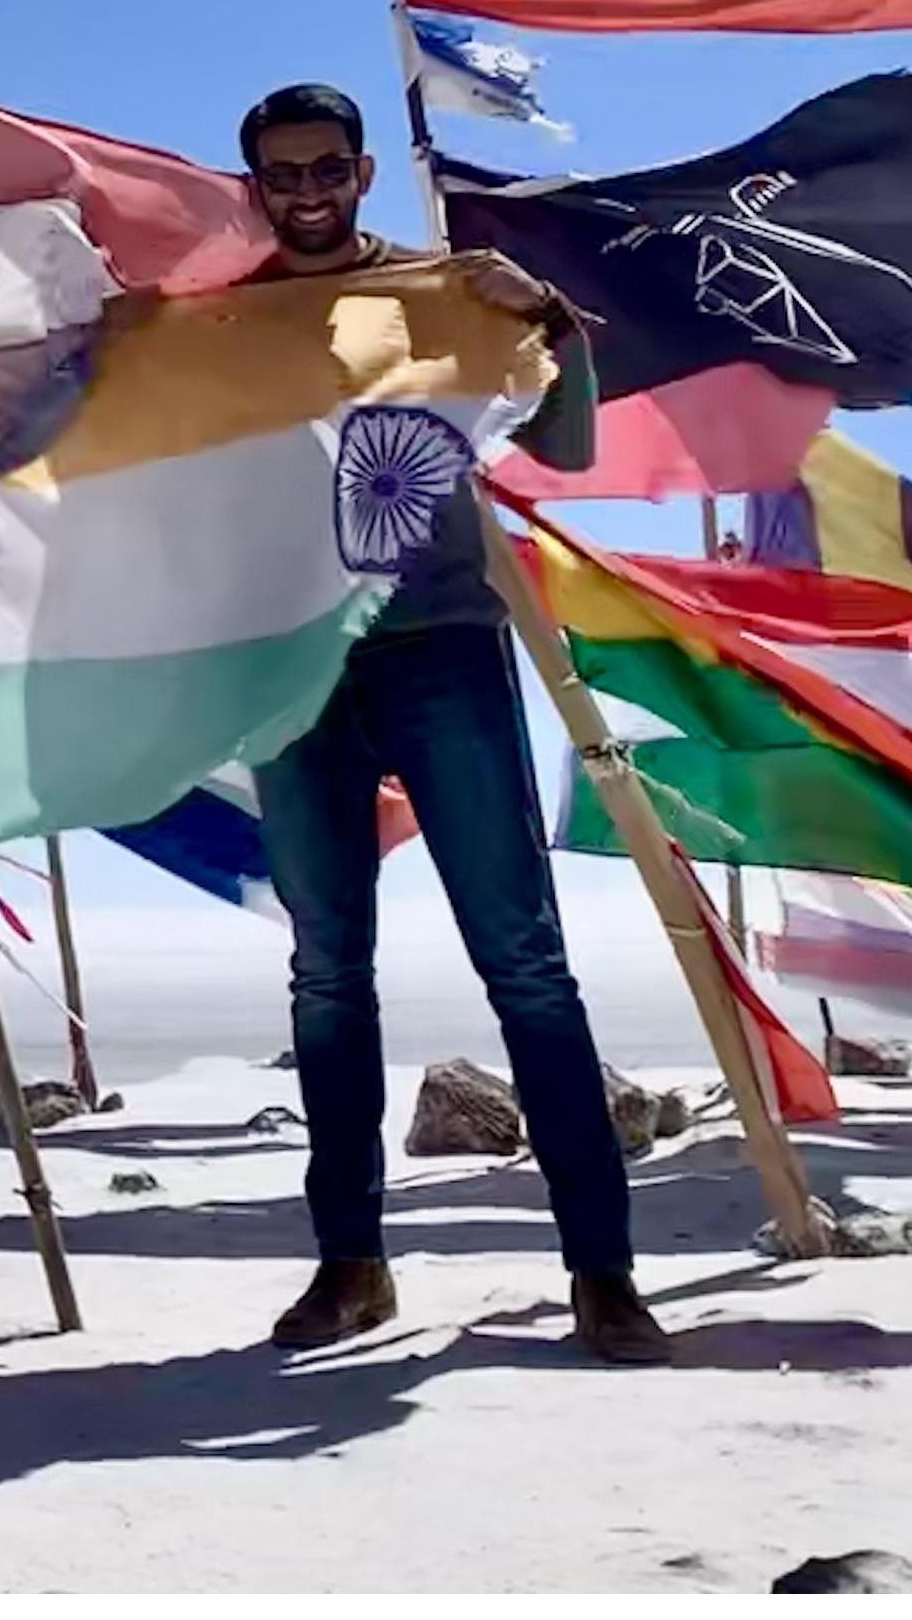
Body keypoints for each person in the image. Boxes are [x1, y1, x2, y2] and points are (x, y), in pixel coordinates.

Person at [237, 82, 672, 1368]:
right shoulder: (226, 320)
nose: (305, 191)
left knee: (523, 962)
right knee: (325, 976)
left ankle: (604, 1276)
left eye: (325, 168)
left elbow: (569, 440)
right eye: (281, 174)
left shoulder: (442, 294)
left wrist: (548, 321)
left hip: (441, 647)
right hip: (292, 666)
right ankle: (350, 1265)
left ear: (362, 171)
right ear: (253, 186)